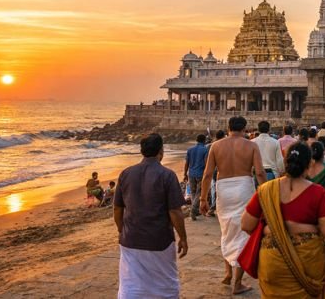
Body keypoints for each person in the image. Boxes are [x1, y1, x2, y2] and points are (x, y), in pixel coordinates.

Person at [241, 142, 325, 298]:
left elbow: (246, 224)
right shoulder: (317, 193)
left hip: (272, 262)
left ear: (285, 163)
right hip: (308, 260)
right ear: (309, 164)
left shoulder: (266, 190)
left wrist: (274, 231)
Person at [114, 134, 187, 299]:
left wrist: (122, 229)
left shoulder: (126, 173)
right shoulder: (167, 175)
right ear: (161, 151)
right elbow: (175, 211)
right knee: (165, 284)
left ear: (142, 151)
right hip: (159, 239)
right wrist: (183, 237)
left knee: (131, 282)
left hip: (131, 238)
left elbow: (118, 208)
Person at [199, 116, 266, 295]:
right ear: (244, 129)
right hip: (244, 187)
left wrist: (203, 199)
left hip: (224, 189)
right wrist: (266, 192)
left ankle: (228, 273)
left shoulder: (216, 145)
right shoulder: (251, 145)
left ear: (228, 128)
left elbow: (207, 175)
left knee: (226, 230)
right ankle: (237, 282)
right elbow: (259, 172)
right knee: (243, 233)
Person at [183, 134, 209, 220]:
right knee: (199, 192)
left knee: (193, 192)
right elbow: (206, 163)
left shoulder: (190, 149)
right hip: (200, 174)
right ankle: (193, 210)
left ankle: (195, 210)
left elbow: (187, 163)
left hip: (191, 174)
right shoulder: (205, 150)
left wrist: (184, 174)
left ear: (197, 140)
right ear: (204, 140)